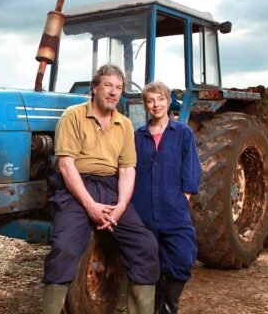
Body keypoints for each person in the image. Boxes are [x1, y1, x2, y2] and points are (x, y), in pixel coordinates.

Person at [42, 64, 160, 314]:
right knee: (64, 246)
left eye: (118, 88)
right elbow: (66, 165)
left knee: (145, 245)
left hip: (111, 188)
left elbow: (128, 170)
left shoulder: (125, 124)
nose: (113, 92)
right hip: (76, 187)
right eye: (108, 85)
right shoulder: (72, 116)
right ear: (94, 88)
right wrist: (90, 206)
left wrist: (119, 209)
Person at [132, 81, 201, 314]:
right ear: (145, 105)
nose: (156, 104)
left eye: (160, 99)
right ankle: (154, 304)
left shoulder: (182, 133)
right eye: (150, 100)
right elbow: (129, 171)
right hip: (143, 210)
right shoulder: (137, 137)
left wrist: (182, 199)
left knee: (182, 256)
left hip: (174, 208)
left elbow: (191, 170)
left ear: (168, 101)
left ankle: (169, 307)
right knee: (151, 262)